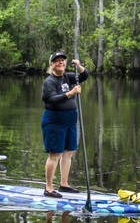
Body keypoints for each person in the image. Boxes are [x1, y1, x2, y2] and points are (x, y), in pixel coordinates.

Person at [41, 52, 89, 197]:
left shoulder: (68, 77)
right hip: (54, 121)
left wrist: (79, 66)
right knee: (55, 154)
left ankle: (64, 184)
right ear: (51, 65)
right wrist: (71, 92)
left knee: (68, 152)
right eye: (57, 61)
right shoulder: (49, 81)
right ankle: (48, 188)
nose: (60, 63)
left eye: (62, 60)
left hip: (70, 120)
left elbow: (84, 75)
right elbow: (53, 99)